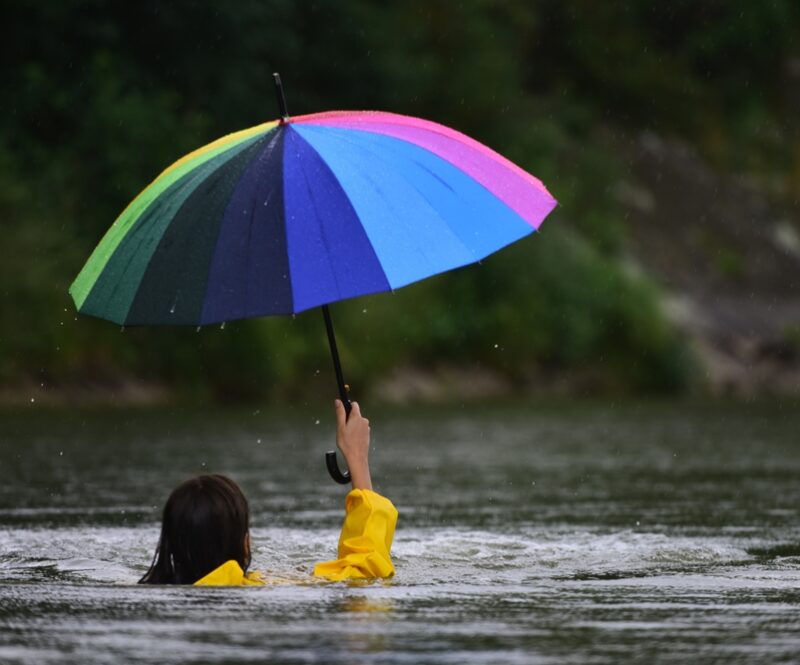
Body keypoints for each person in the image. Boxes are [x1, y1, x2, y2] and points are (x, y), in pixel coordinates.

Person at [139, 400, 398, 585]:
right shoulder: (237, 585)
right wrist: (357, 459)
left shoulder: (158, 587)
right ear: (245, 543)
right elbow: (366, 573)